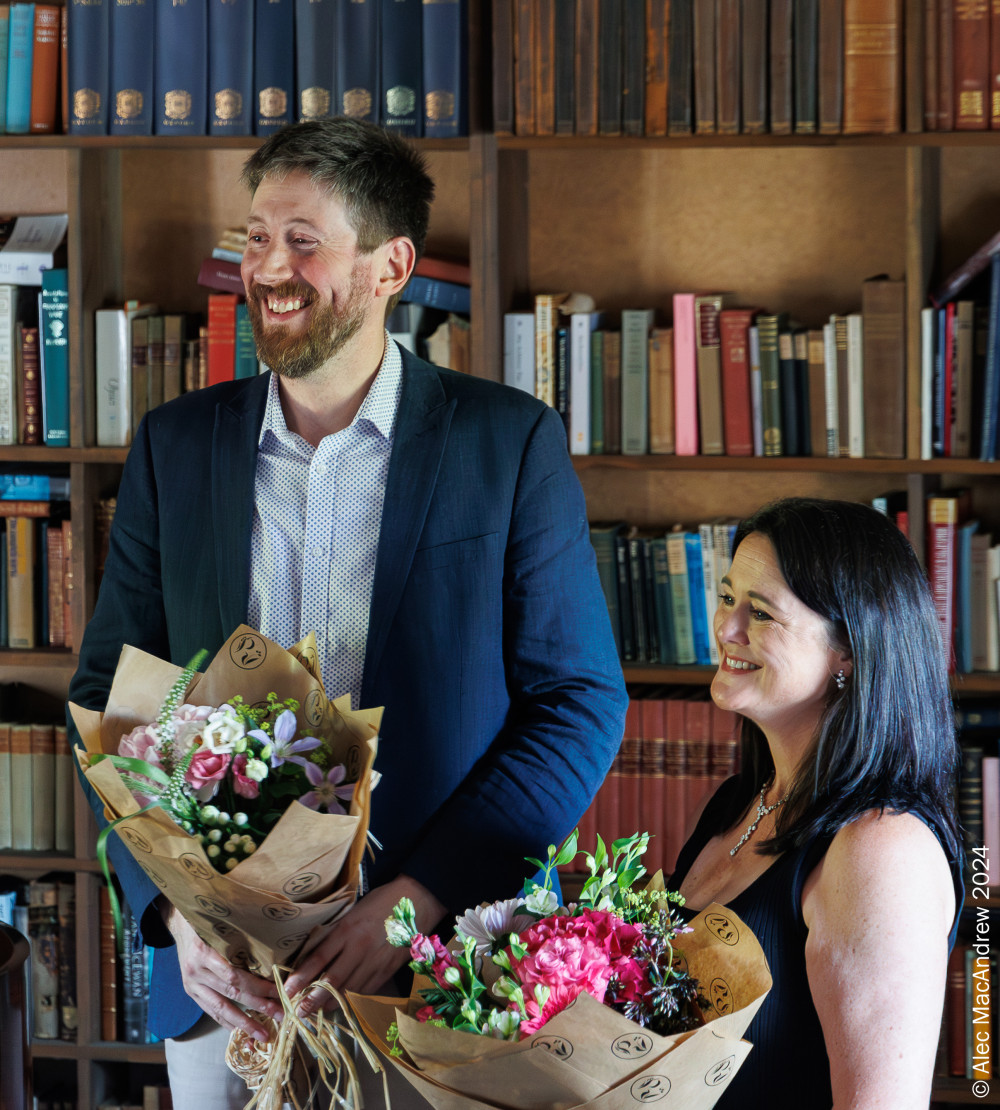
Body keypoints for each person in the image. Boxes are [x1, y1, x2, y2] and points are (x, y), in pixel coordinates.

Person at [68, 117, 628, 1109]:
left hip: (434, 970)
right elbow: (112, 695)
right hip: (224, 988)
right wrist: (176, 919)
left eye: (302, 239)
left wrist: (416, 902)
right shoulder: (173, 447)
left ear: (388, 265)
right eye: (253, 238)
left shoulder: (507, 445)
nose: (268, 268)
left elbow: (577, 703)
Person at [667, 496, 963, 1110]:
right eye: (727, 598)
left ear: (849, 654)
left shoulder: (881, 851)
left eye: (762, 613)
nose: (726, 628)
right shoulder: (738, 802)